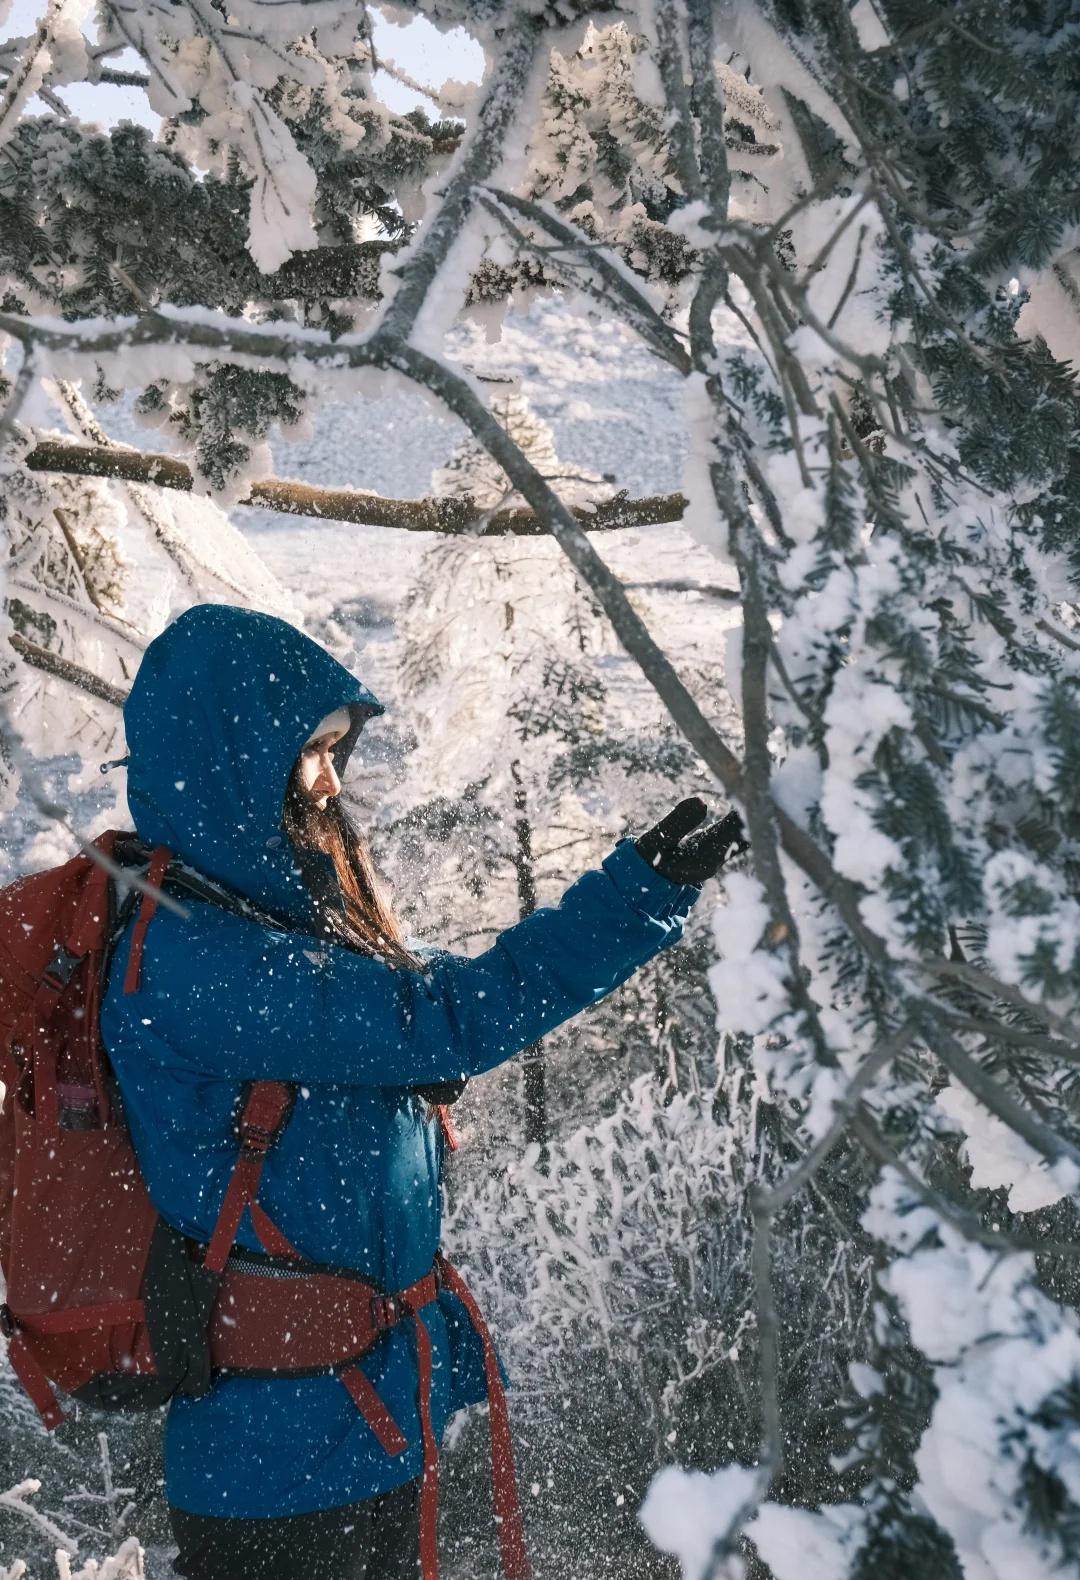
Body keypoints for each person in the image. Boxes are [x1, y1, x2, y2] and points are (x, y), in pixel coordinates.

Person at [98, 603, 745, 1580]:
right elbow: (441, 1015)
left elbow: (397, 1003)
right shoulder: (202, 958)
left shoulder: (240, 917)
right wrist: (635, 896)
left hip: (345, 1417)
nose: (326, 780)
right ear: (229, 753)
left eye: (332, 750)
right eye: (303, 753)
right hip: (283, 1464)